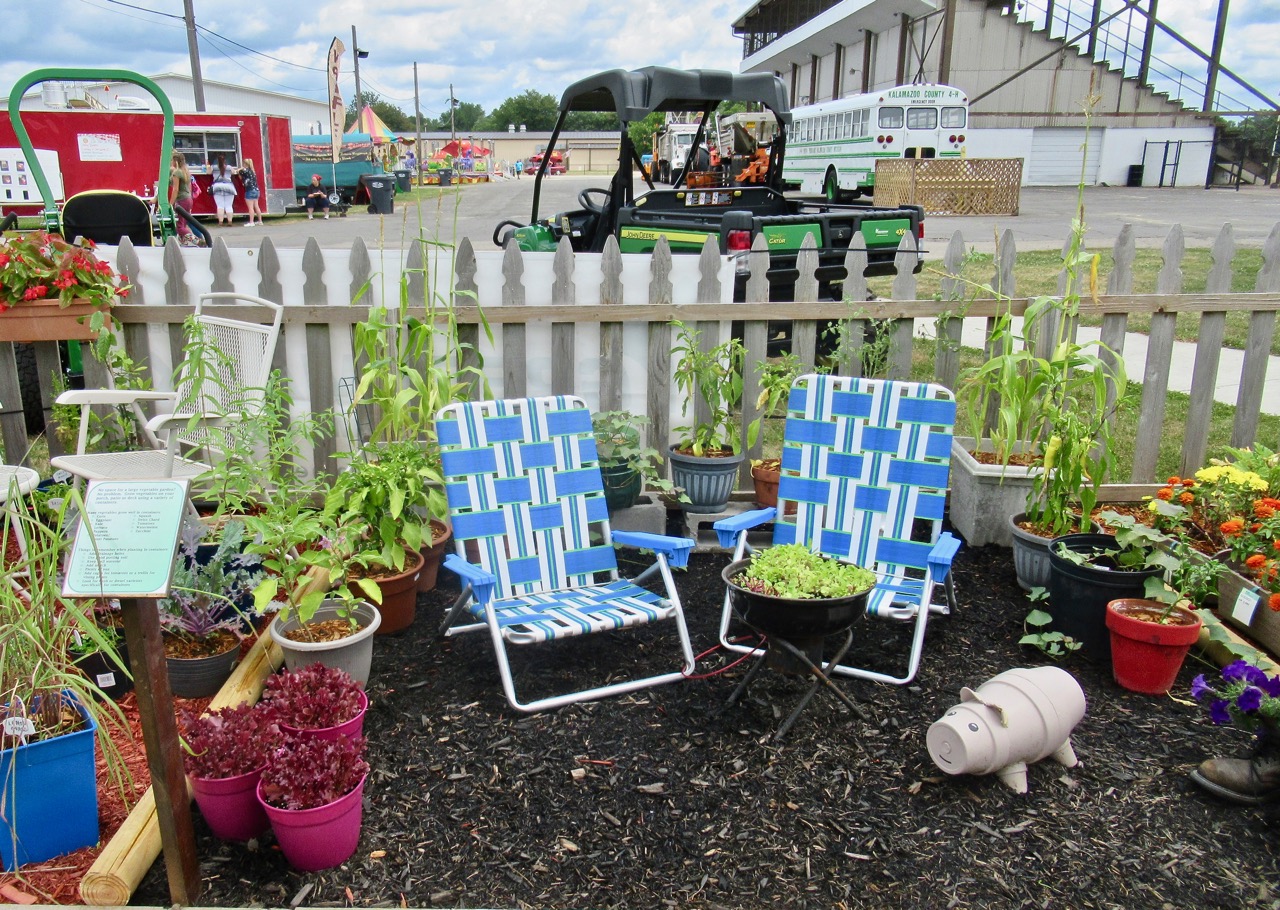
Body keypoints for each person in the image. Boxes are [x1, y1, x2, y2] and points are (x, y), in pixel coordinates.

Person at [168, 150, 210, 247]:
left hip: (181, 200)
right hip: (188, 199)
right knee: (184, 222)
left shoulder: (177, 173)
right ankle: (184, 243)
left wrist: (171, 203)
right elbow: (190, 187)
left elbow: (175, 189)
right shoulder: (186, 171)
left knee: (179, 227)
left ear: (175, 161)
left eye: (171, 160)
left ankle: (197, 241)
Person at [210, 154, 237, 225]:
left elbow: (208, 172)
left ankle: (220, 222)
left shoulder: (214, 167)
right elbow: (234, 172)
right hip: (229, 187)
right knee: (229, 205)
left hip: (217, 187)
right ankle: (230, 221)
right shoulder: (229, 167)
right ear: (225, 161)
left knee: (220, 205)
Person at [238, 157, 263, 226]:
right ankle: (260, 221)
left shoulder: (244, 170)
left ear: (245, 164)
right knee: (256, 206)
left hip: (249, 190)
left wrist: (240, 169)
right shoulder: (253, 171)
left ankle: (251, 222)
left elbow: (238, 172)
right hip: (256, 190)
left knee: (250, 208)